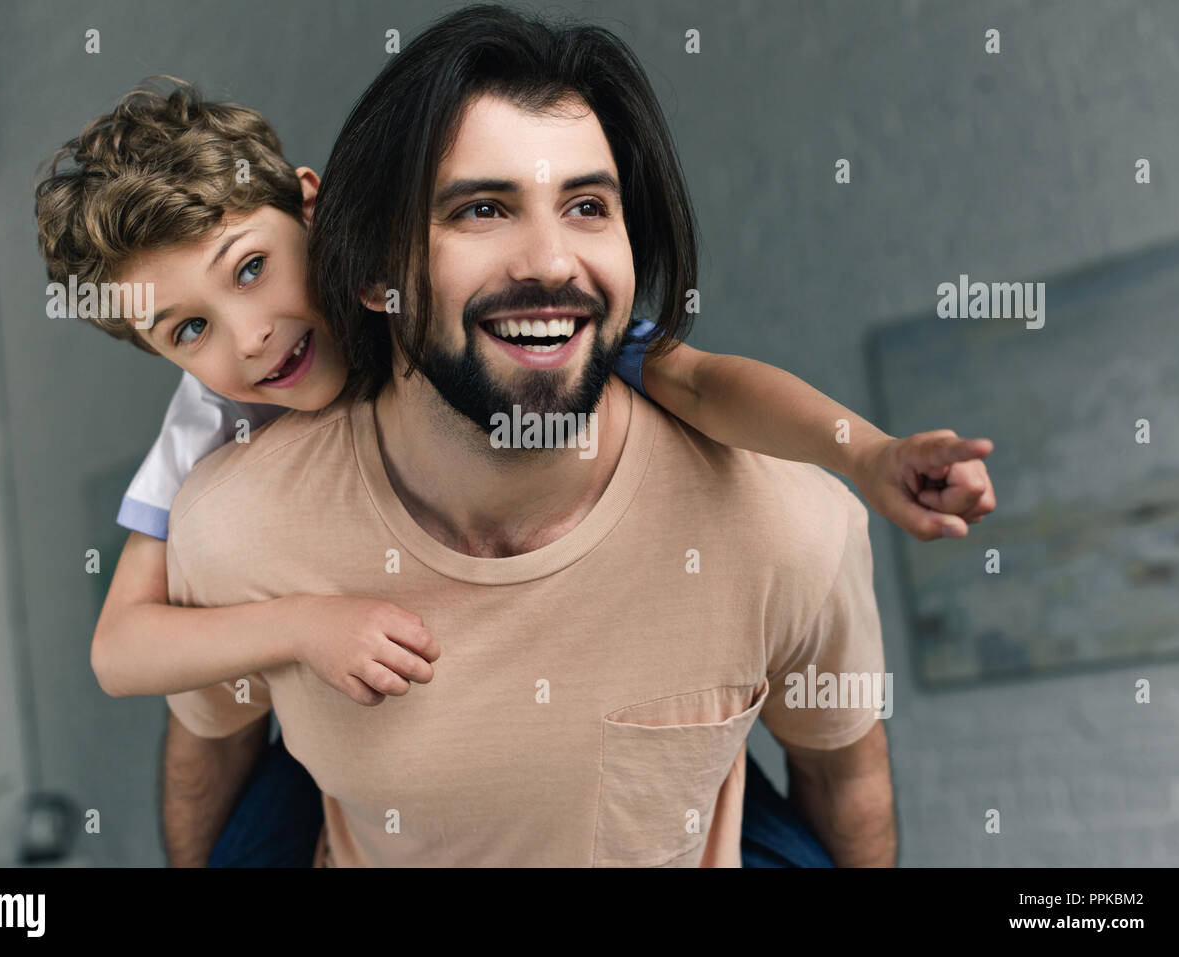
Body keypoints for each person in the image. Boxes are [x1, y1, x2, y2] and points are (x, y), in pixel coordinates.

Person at [155, 4, 926, 867]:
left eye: (589, 205)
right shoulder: (233, 527)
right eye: (484, 210)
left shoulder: (792, 526)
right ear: (372, 267)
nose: (554, 262)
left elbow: (844, 779)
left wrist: (869, 452)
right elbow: (209, 753)